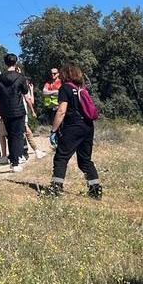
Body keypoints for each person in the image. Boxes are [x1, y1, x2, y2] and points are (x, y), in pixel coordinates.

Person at [48, 62, 102, 199]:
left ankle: (56, 189)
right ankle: (95, 190)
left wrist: (53, 130)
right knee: (84, 160)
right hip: (88, 127)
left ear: (65, 75)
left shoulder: (65, 88)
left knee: (61, 157)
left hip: (73, 126)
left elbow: (61, 111)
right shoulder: (80, 88)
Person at [0, 54, 33, 172]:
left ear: (5, 63)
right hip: (18, 109)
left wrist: (4, 99)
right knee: (18, 135)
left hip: (5, 110)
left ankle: (13, 160)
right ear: (15, 62)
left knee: (10, 135)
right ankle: (16, 161)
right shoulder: (20, 77)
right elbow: (25, 91)